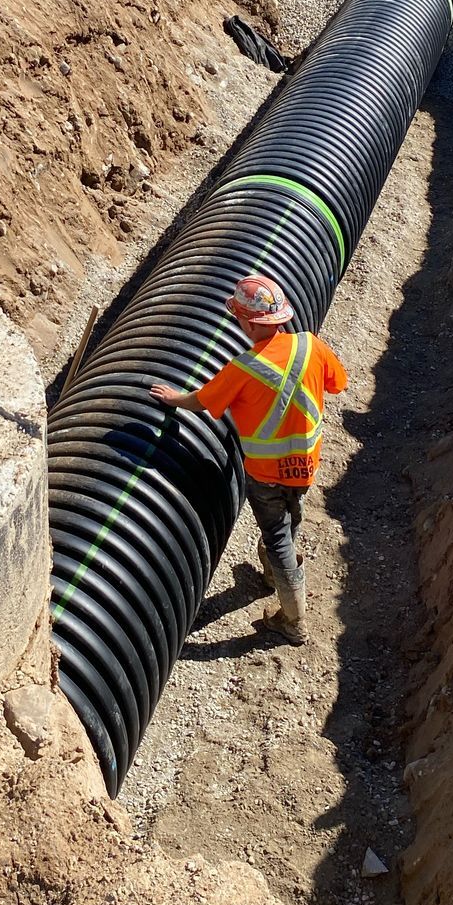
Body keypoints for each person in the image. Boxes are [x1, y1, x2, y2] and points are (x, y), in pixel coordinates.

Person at [150, 275, 349, 645]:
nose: (238, 325)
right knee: (292, 512)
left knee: (277, 539)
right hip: (305, 466)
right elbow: (339, 384)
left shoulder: (243, 368)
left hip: (266, 475)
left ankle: (293, 621)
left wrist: (175, 399)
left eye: (240, 318)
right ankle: (275, 573)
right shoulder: (310, 345)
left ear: (253, 322)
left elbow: (204, 401)